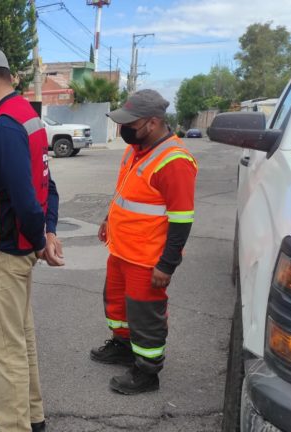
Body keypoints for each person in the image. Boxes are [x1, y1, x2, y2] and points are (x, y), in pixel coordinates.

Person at [0, 46, 64, 432]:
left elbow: (25, 198)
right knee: (21, 339)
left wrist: (40, 239)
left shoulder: (3, 125)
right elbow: (46, 185)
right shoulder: (27, 117)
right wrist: (47, 233)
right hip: (19, 250)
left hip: (2, 253)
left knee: (5, 352)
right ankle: (31, 416)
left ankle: (14, 424)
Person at [91, 89, 197, 395]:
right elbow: (127, 192)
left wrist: (167, 265)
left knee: (145, 315)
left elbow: (181, 220)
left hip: (147, 258)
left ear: (152, 122)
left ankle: (147, 372)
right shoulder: (137, 148)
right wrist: (108, 219)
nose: (124, 129)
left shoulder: (174, 161)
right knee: (116, 304)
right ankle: (123, 347)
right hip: (122, 250)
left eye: (130, 124)